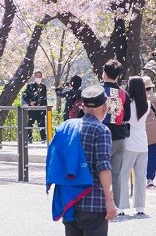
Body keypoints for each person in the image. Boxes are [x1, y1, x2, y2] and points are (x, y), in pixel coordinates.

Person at [61, 85, 117, 235]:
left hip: (69, 202)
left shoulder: (68, 127)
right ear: (105, 107)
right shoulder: (101, 130)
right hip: (93, 204)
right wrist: (109, 200)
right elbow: (103, 166)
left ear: (83, 106)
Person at [100, 59, 131, 209]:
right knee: (116, 175)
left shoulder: (98, 91)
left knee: (99, 171)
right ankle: (116, 206)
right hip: (119, 138)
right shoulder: (123, 94)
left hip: (101, 138)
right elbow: (127, 117)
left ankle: (100, 203)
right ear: (118, 75)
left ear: (104, 73)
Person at [118, 76, 149, 216]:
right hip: (143, 143)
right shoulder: (147, 104)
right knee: (141, 177)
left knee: (123, 175)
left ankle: (121, 207)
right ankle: (140, 207)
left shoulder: (128, 104)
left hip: (129, 143)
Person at [143, 76, 156, 187]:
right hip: (154, 131)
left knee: (142, 155)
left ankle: (141, 176)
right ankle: (150, 178)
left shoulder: (138, 98)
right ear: (151, 87)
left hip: (141, 130)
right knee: (153, 155)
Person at [23, 71, 48, 142]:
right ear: (35, 77)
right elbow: (25, 96)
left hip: (41, 108)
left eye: (39, 76)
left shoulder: (43, 87)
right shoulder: (30, 86)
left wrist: (45, 108)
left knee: (42, 123)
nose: (38, 78)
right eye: (37, 76)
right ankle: (29, 137)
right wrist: (30, 102)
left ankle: (43, 138)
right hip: (32, 108)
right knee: (30, 123)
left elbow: (44, 98)